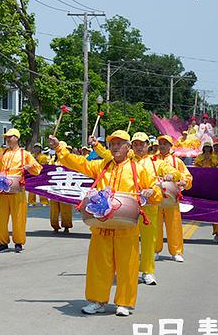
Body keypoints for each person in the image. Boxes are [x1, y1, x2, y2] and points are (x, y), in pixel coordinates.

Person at [48, 130, 161, 316]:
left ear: (128, 147)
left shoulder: (138, 168)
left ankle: (124, 302)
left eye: (119, 144)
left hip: (126, 226)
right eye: (112, 144)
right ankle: (97, 301)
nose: (115, 147)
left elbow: (155, 189)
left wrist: (151, 192)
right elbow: (79, 163)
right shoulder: (103, 165)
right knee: (98, 264)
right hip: (101, 224)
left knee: (127, 265)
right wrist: (60, 147)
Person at [92, 132, 180, 286]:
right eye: (136, 144)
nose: (139, 147)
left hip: (149, 209)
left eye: (142, 144)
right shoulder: (127, 160)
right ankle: (121, 270)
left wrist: (171, 176)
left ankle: (147, 271)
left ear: (148, 146)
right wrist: (96, 145)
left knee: (148, 241)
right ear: (131, 146)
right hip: (126, 208)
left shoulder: (156, 163)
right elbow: (108, 153)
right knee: (122, 240)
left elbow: (175, 172)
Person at [0, 129, 43, 253]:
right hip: (2, 188)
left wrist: (30, 166)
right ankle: (2, 243)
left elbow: (38, 169)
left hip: (17, 188)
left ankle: (18, 242)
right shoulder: (1, 152)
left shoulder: (24, 154)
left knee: (18, 216)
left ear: (16, 138)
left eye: (10, 137)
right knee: (0, 217)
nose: (8, 139)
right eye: (7, 137)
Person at [151, 135, 193, 263]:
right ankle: (155, 250)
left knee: (174, 224)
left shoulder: (177, 161)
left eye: (165, 143)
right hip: (156, 197)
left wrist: (183, 182)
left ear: (170, 146)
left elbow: (187, 177)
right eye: (161, 143)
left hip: (172, 198)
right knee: (155, 225)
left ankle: (176, 251)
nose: (162, 145)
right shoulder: (152, 160)